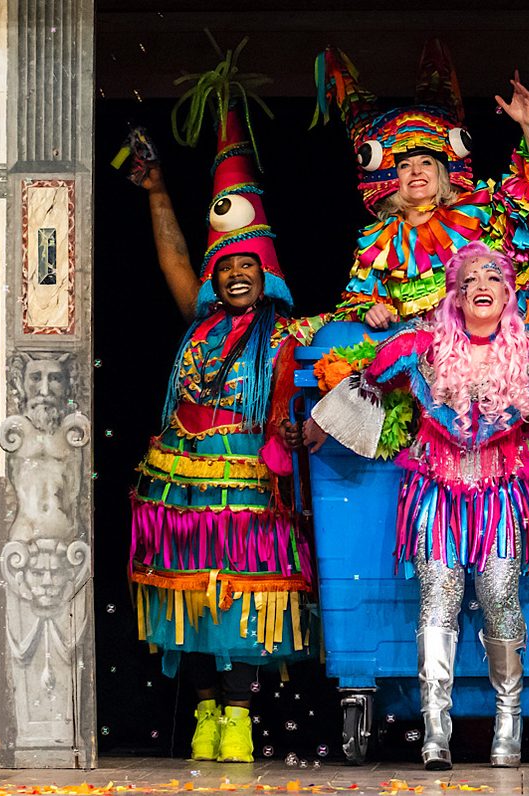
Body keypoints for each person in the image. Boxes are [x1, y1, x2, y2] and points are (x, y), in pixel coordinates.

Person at [304, 242, 529, 769]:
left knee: (499, 595)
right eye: (471, 279)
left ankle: (508, 722)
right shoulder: (420, 344)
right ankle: (435, 729)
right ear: (455, 295)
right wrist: (322, 422)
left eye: (494, 278)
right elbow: (370, 379)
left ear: (508, 294)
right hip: (435, 491)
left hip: (502, 493)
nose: (482, 286)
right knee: (438, 598)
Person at [128, 57, 318, 764]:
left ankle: (238, 715)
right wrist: (157, 191)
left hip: (246, 483)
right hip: (180, 479)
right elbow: (173, 259)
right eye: (227, 267)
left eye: (247, 266)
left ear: (267, 274)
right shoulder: (199, 323)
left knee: (242, 598)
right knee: (188, 598)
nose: (236, 275)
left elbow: (338, 367)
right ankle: (206, 710)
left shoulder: (289, 333)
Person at [313, 42, 529, 328]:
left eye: (426, 162)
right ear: (393, 178)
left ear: (441, 172)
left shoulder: (475, 216)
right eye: (404, 166)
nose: (416, 171)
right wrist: (371, 311)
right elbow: (355, 304)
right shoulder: (379, 244)